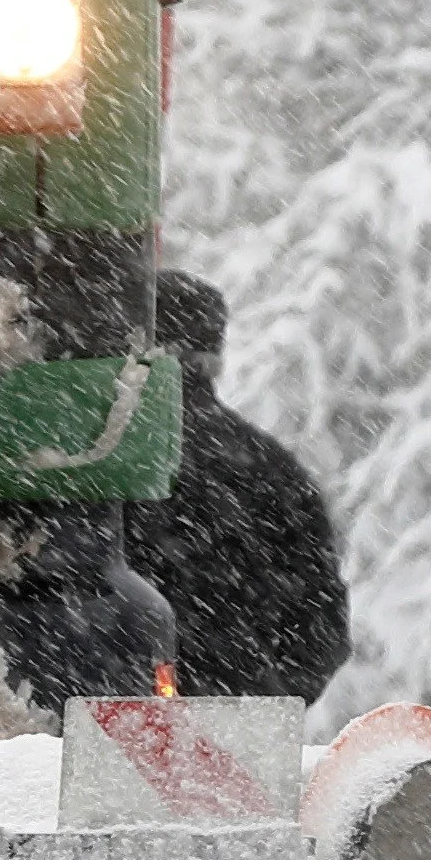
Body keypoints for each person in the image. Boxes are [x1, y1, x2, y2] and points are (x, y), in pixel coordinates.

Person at [126, 271, 353, 702]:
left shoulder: (86, 465)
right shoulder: (272, 471)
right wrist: (260, 698)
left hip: (92, 716)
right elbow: (322, 631)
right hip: (233, 731)